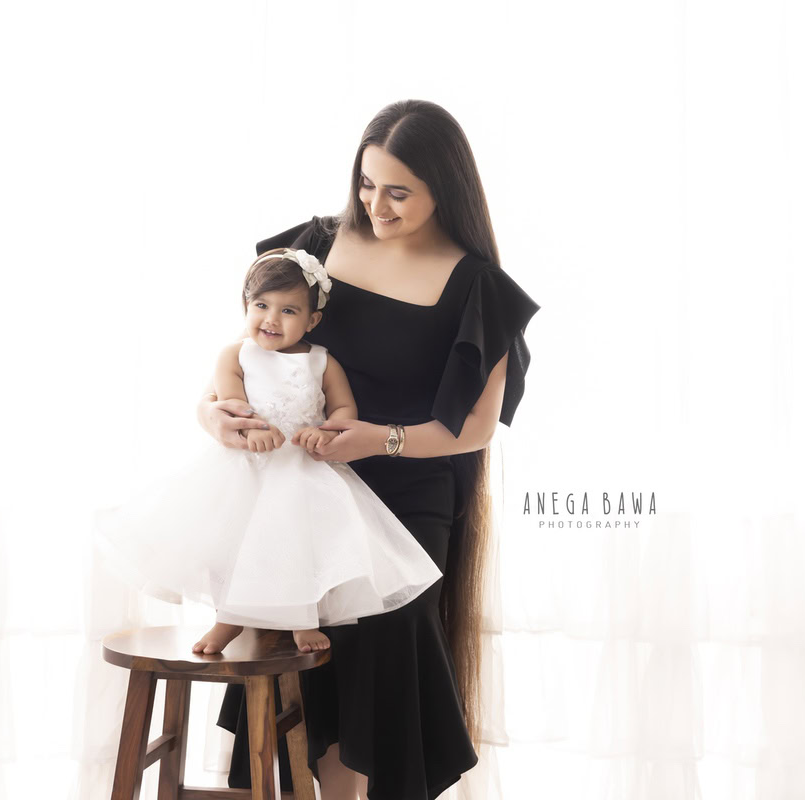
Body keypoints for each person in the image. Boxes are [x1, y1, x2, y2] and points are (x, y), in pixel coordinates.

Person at [199, 100, 540, 800]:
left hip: (410, 490)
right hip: (302, 485)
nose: (374, 205)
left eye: (397, 191)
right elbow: (252, 355)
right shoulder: (313, 247)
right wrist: (213, 414)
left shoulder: (478, 287)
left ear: (444, 188)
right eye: (365, 183)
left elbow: (475, 427)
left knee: (384, 634)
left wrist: (378, 439)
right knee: (302, 653)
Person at [94, 248, 442, 655]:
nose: (271, 319)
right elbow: (232, 402)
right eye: (261, 305)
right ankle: (228, 620)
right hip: (246, 468)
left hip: (300, 467)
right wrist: (252, 428)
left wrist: (324, 432)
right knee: (232, 548)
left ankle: (301, 618)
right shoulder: (235, 354)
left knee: (297, 545)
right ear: (246, 305)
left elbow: (343, 407)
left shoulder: (321, 361)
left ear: (312, 320)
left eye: (289, 311)